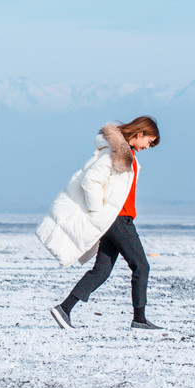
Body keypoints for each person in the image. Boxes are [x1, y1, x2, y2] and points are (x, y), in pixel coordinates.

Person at [35, 116, 163, 331]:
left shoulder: (126, 154)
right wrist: (98, 211)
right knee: (141, 265)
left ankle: (64, 309)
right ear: (140, 133)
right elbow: (91, 180)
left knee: (102, 270)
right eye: (149, 142)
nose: (148, 147)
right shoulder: (115, 154)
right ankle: (139, 319)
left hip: (118, 219)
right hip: (117, 220)